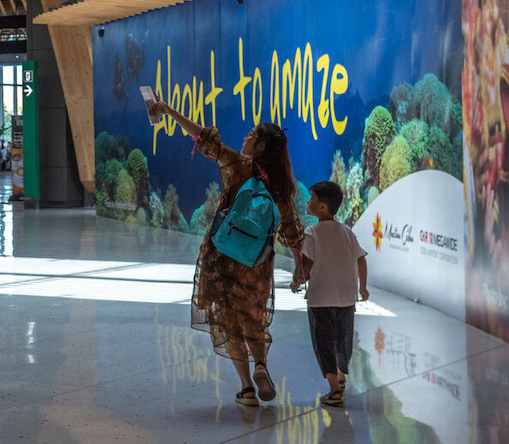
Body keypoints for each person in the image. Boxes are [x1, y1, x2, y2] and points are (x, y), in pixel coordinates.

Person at [149, 99, 304, 407]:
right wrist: (299, 266)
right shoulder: (281, 185)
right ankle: (261, 365)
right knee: (252, 318)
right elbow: (291, 229)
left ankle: (247, 389)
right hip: (256, 263)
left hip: (222, 257)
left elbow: (202, 137)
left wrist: (169, 111)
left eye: (251, 135)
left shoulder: (238, 166)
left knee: (228, 321)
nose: (245, 137)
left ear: (260, 147)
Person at [294, 181, 368, 407]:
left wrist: (298, 280)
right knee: (342, 340)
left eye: (312, 198)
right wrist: (362, 287)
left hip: (320, 299)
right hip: (346, 298)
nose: (308, 201)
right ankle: (341, 376)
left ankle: (334, 389)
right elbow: (361, 259)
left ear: (322, 206)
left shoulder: (312, 233)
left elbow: (307, 264)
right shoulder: (347, 232)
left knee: (323, 343)